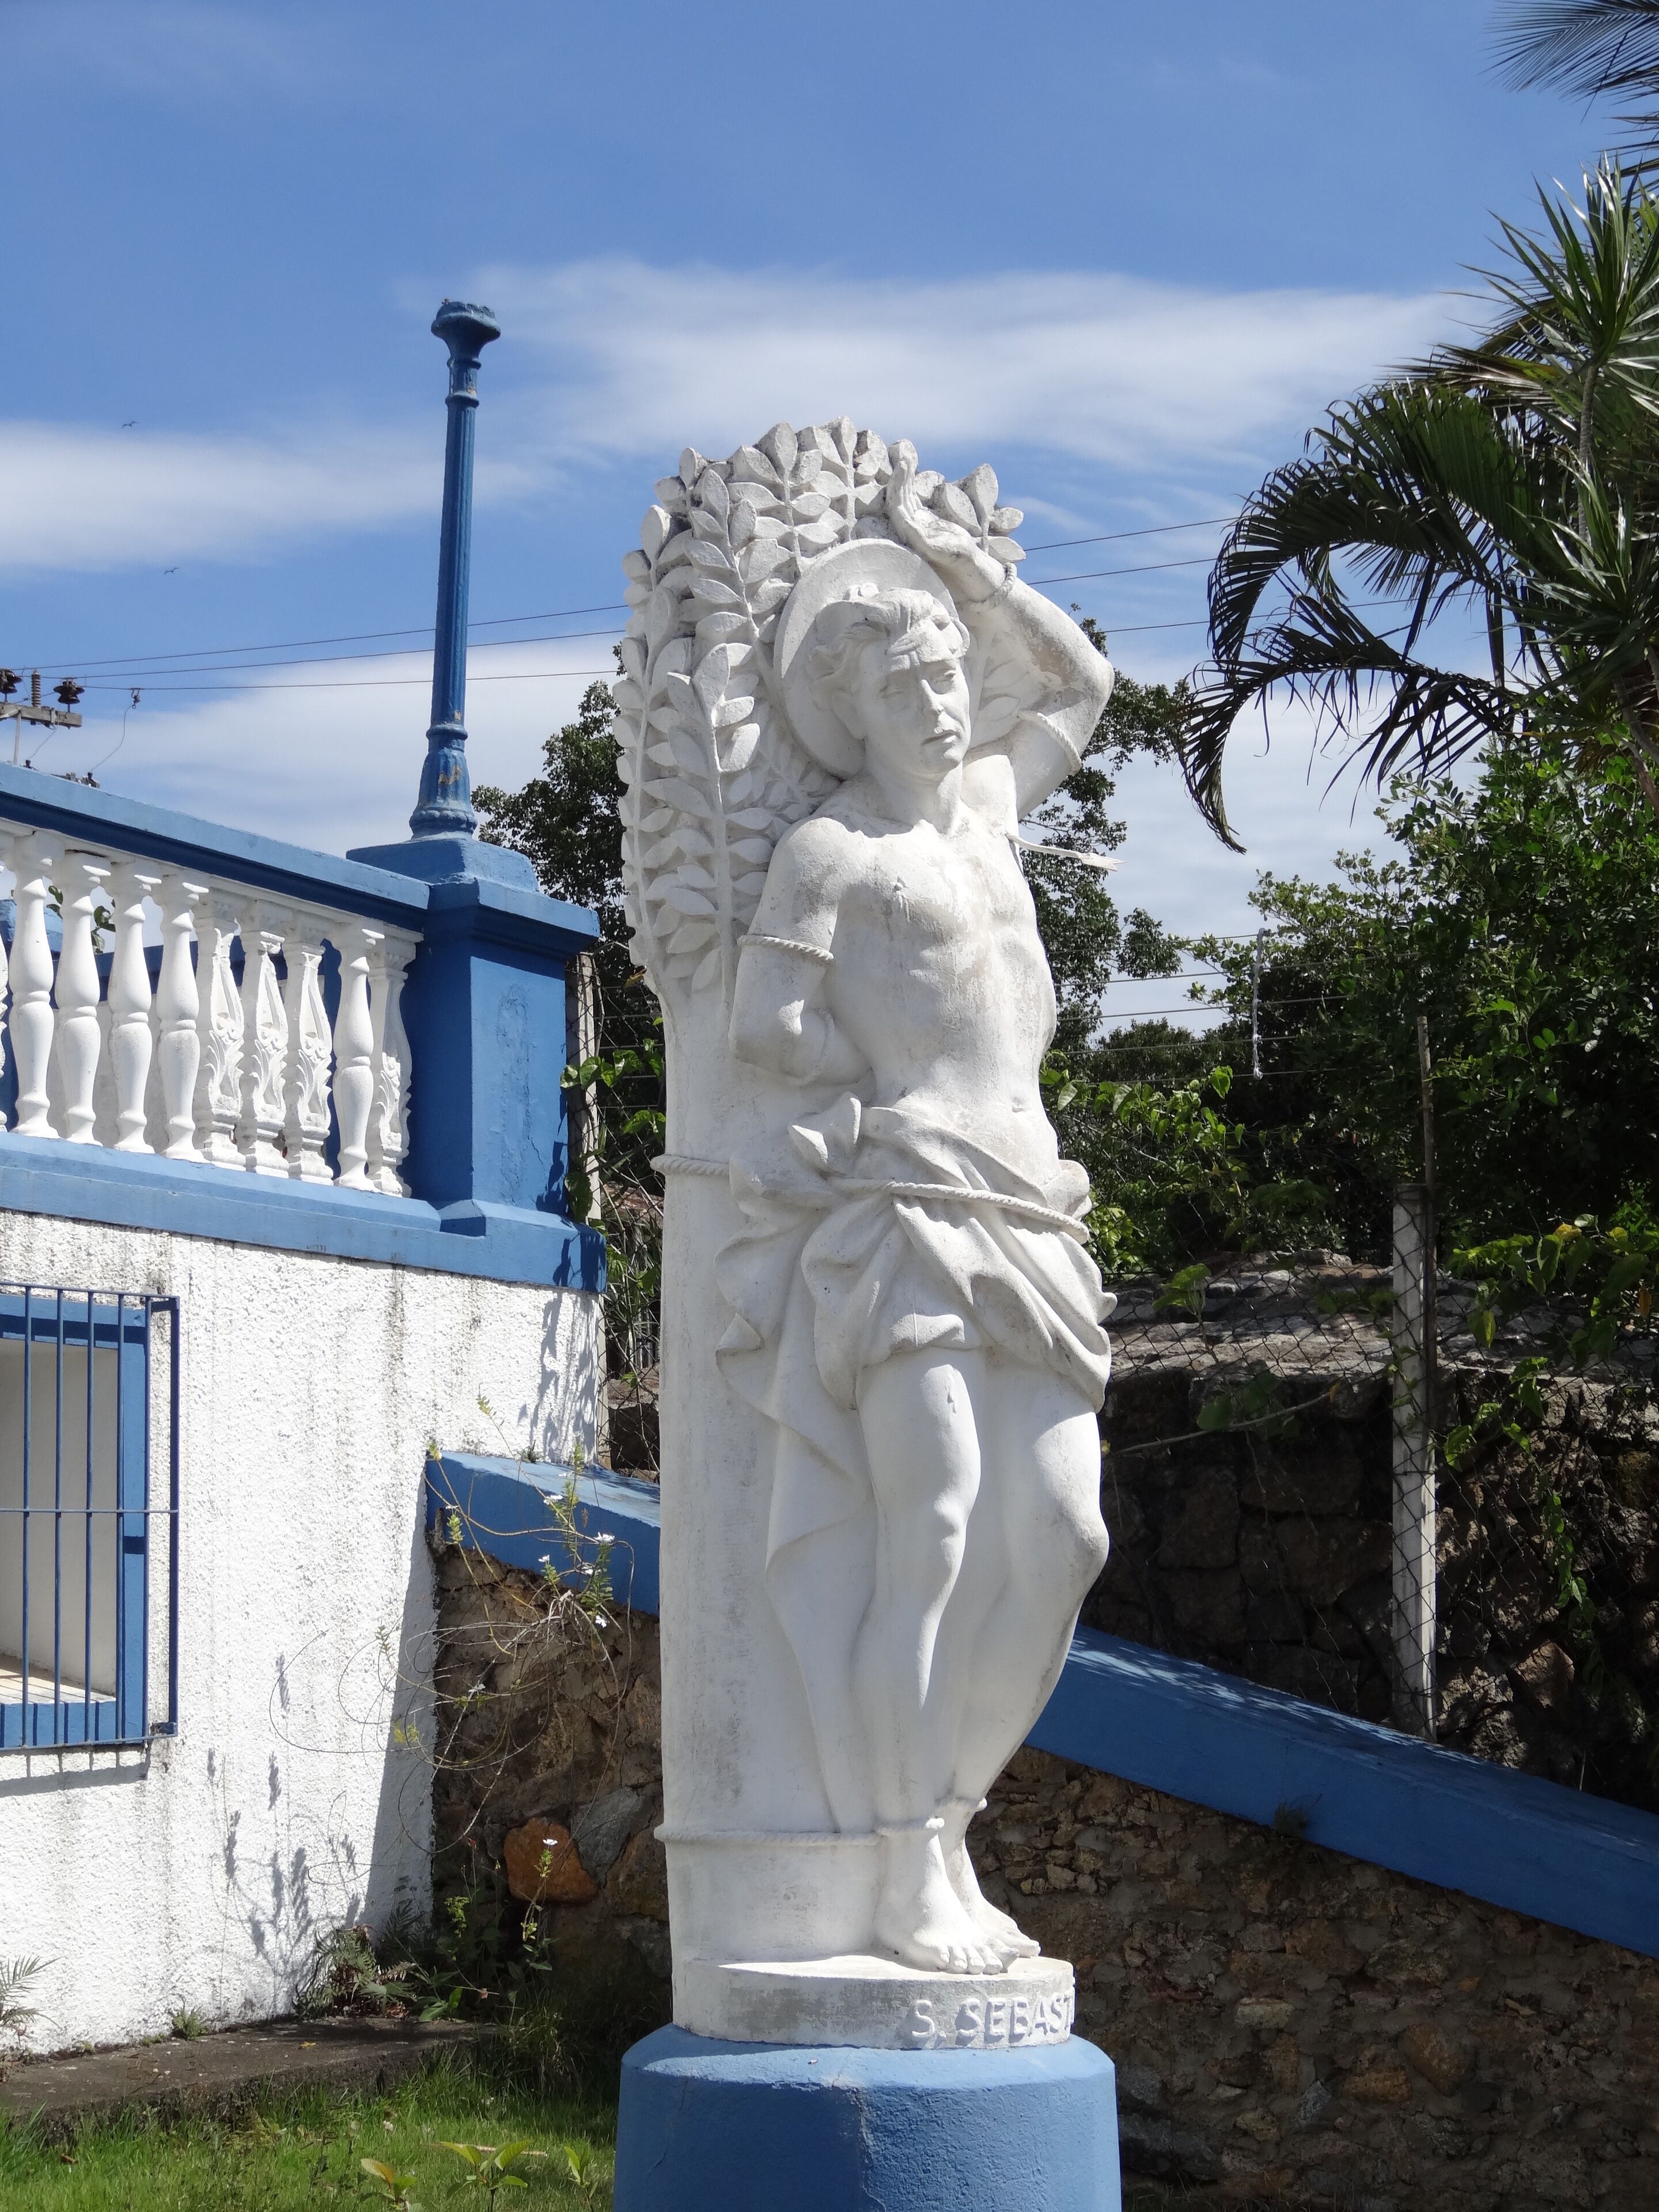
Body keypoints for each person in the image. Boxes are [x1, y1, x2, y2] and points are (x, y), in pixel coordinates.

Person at [715, 451, 1116, 1977]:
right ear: (855, 713)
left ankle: (947, 1813)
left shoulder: (996, 814)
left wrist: (980, 580)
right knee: (931, 1526)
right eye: (912, 687)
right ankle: (899, 1863)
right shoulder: (831, 853)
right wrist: (826, 1099)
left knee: (1064, 1532)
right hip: (907, 1220)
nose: (947, 706)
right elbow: (766, 1029)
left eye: (953, 677)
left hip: (1033, 1209)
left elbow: (1077, 688)